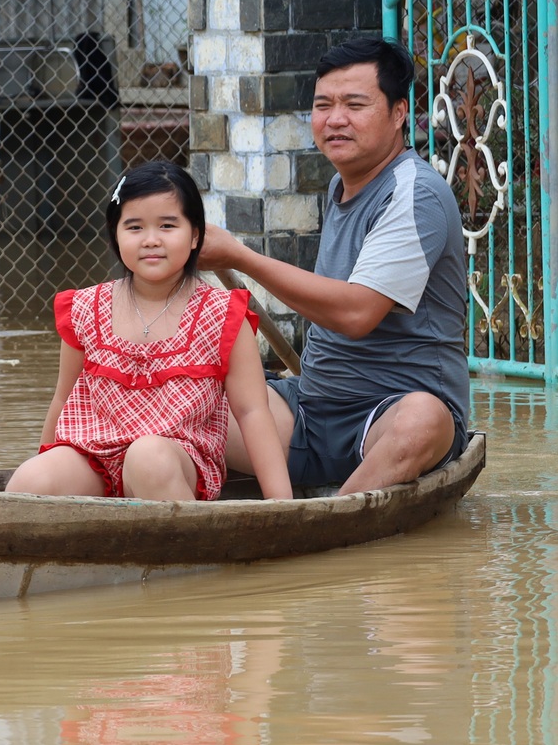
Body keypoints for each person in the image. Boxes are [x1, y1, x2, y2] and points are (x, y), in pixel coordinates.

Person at [201, 36, 469, 495]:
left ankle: (337, 515)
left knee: (422, 421)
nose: (335, 119)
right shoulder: (341, 184)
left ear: (399, 113)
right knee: (181, 404)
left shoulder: (414, 192)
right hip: (309, 409)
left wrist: (240, 257)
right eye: (323, 105)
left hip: (390, 414)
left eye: (355, 105)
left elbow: (356, 313)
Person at [7, 161, 293, 502]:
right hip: (94, 457)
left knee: (146, 457)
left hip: (174, 461)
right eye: (135, 227)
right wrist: (43, 459)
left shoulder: (222, 314)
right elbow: (62, 399)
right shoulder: (85, 308)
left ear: (195, 235)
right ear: (116, 234)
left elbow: (252, 412)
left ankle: (188, 536)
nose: (151, 240)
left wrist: (281, 504)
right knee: (31, 479)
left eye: (167, 225)